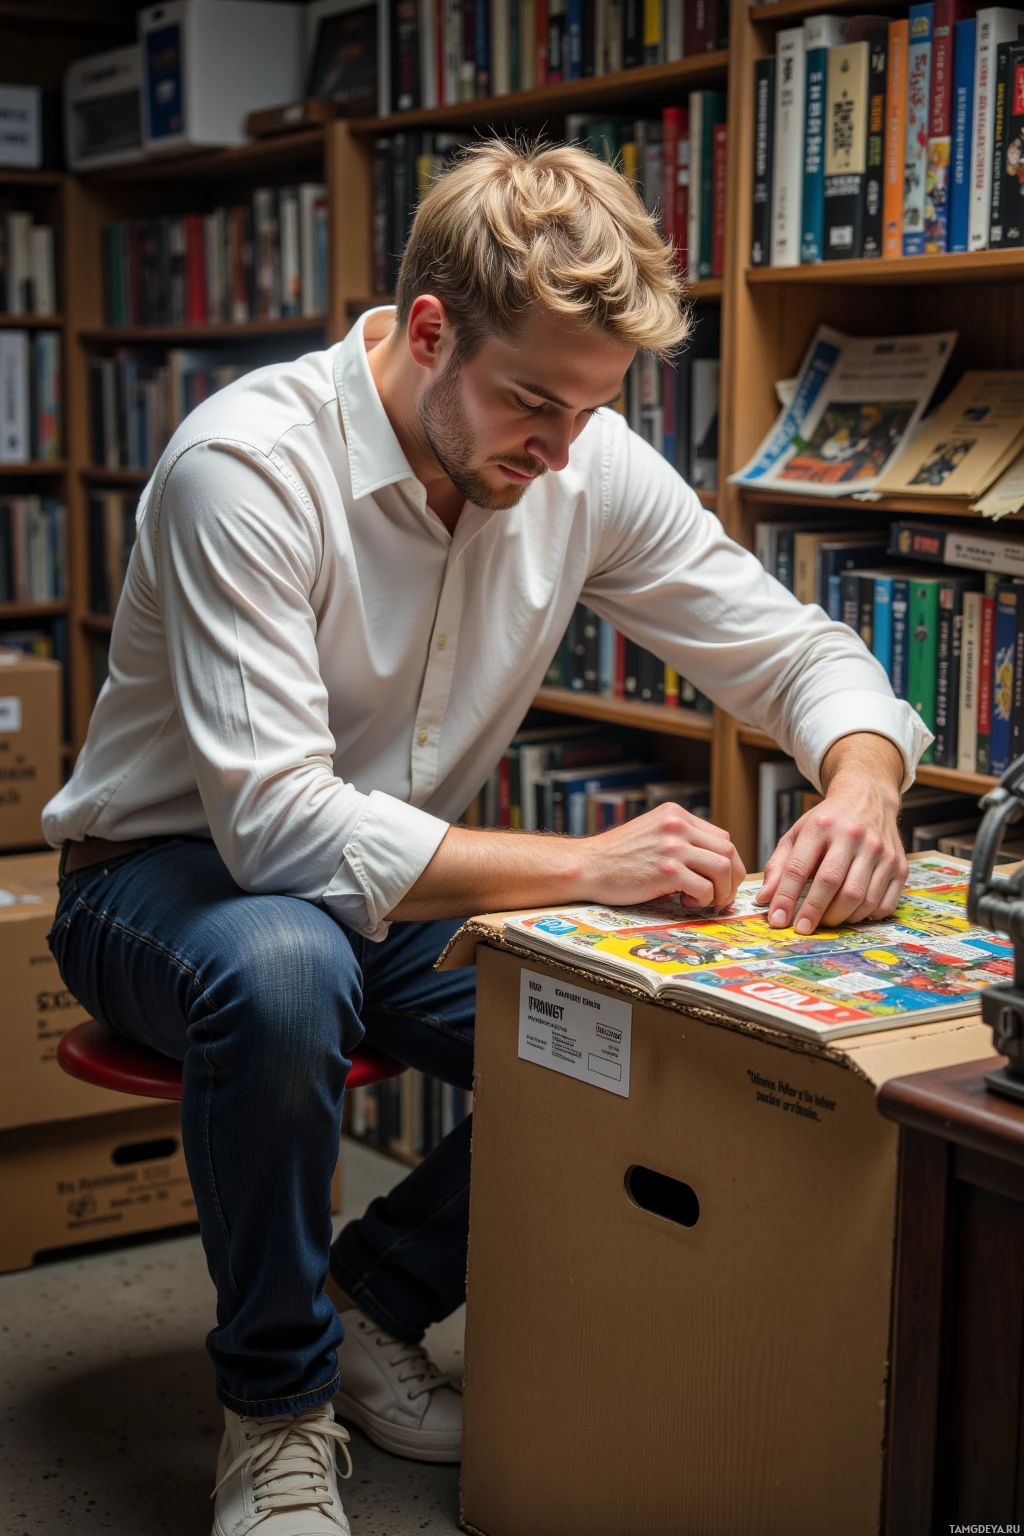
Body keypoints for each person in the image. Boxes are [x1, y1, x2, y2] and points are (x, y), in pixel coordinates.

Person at [43, 139, 929, 1535]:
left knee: (651, 1007)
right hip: (157, 881)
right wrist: (587, 866)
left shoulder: (572, 454)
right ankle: (274, 1412)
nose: (563, 453)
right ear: (429, 327)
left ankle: (374, 1293)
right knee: (284, 966)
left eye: (591, 412)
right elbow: (276, 831)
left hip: (390, 884)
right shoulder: (247, 466)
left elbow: (795, 653)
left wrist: (863, 784)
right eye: (534, 402)